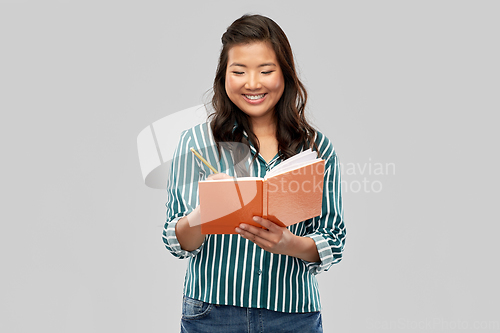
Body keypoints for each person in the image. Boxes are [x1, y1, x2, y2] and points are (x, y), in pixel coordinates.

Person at [163, 14, 346, 333]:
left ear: (285, 75)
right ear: (224, 77)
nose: (252, 83)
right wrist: (202, 216)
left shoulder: (315, 149)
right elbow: (176, 240)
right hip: (211, 312)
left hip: (292, 315)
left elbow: (333, 238)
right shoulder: (195, 142)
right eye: (239, 71)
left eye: (265, 70)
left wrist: (288, 243)